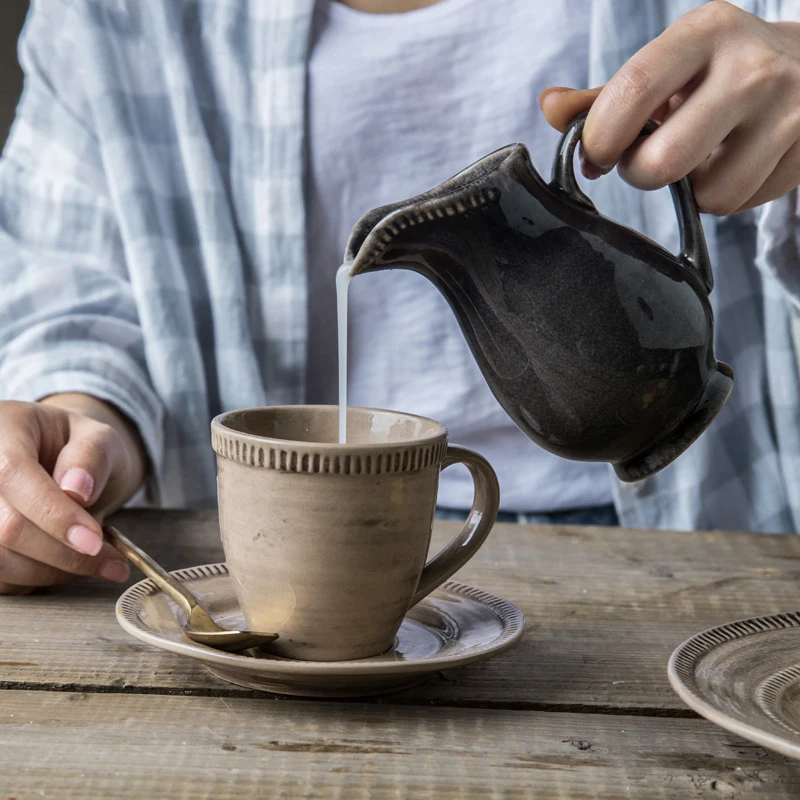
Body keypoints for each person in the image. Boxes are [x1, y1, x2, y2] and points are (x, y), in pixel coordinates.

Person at [1, 0, 800, 595]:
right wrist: (76, 429)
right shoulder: (110, 18)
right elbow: (68, 275)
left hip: (712, 562)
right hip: (303, 551)